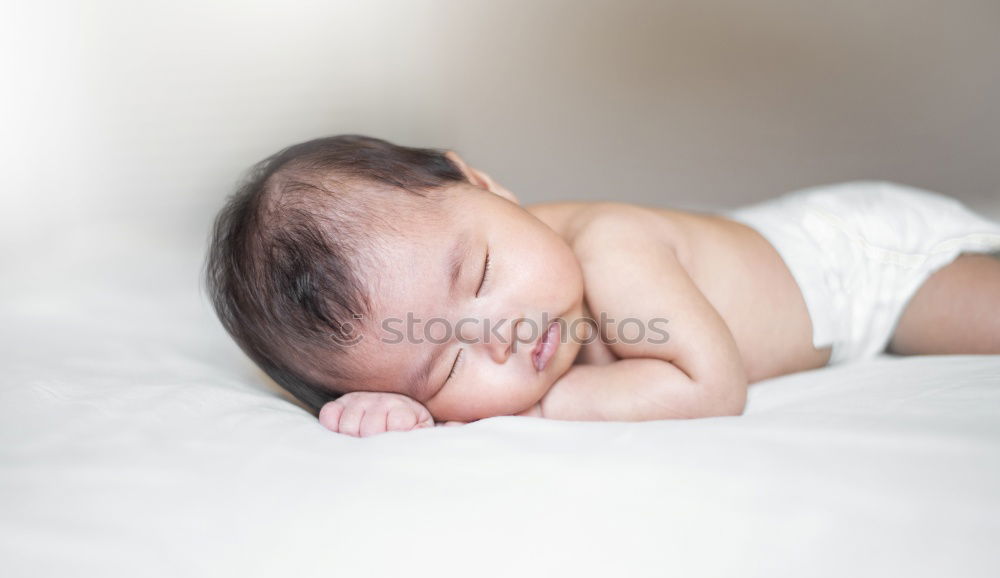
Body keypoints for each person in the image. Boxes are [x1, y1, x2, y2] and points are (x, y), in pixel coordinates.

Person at [203, 134, 1000, 437]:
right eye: (443, 367)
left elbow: (708, 386)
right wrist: (400, 407)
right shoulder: (472, 277)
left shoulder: (610, 252)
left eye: (480, 275)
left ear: (482, 181)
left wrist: (542, 404)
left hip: (873, 266)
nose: (498, 332)